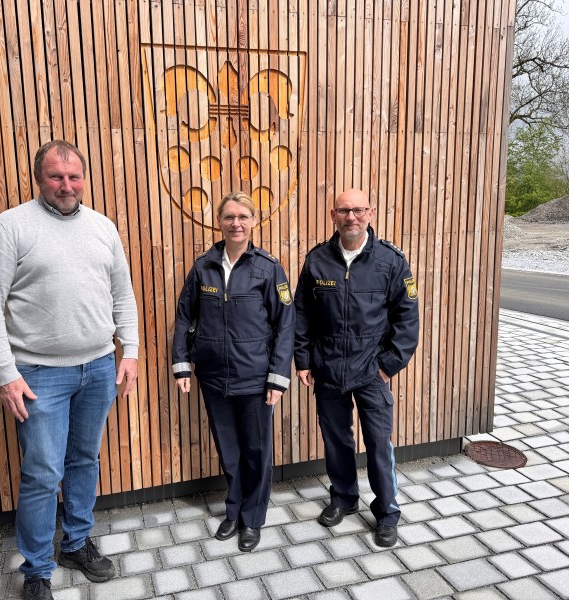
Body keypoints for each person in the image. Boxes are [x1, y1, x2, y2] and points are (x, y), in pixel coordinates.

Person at [0, 140, 139, 600]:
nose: (66, 185)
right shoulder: (11, 227)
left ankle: (77, 543)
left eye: (74, 176)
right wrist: (5, 372)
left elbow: (122, 294)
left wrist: (131, 351)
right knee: (43, 473)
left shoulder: (103, 227)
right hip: (39, 374)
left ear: (83, 179)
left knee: (85, 460)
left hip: (99, 368)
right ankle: (37, 571)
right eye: (56, 177)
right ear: (38, 179)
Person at [294, 188, 419, 548]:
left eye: (359, 210)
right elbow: (302, 314)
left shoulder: (391, 261)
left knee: (379, 443)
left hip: (370, 370)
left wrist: (387, 366)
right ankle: (344, 498)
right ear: (333, 214)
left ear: (371, 212)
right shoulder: (317, 260)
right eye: (345, 210)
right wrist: (304, 360)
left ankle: (387, 512)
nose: (352, 217)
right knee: (337, 440)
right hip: (328, 368)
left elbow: (407, 318)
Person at [172, 191, 295, 552]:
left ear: (254, 222)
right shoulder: (203, 267)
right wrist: (182, 365)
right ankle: (235, 509)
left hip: (256, 379)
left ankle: (252, 519)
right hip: (213, 377)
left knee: (256, 451)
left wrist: (278, 377)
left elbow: (286, 324)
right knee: (229, 451)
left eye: (243, 216)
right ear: (220, 222)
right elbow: (184, 316)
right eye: (229, 217)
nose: (236, 223)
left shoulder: (268, 268)